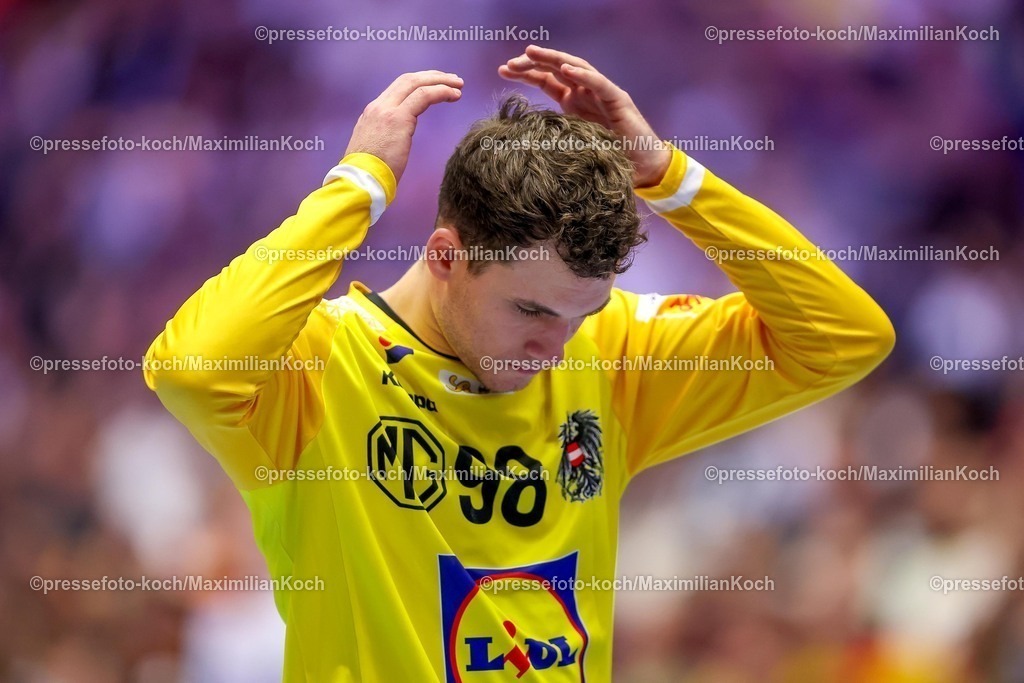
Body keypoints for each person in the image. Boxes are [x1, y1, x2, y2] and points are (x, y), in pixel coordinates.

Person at [144, 45, 894, 682]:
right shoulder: (318, 368)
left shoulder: (609, 352)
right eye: (531, 312)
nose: (554, 348)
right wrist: (357, 188)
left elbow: (845, 334)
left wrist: (671, 178)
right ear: (445, 256)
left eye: (581, 312)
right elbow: (192, 368)